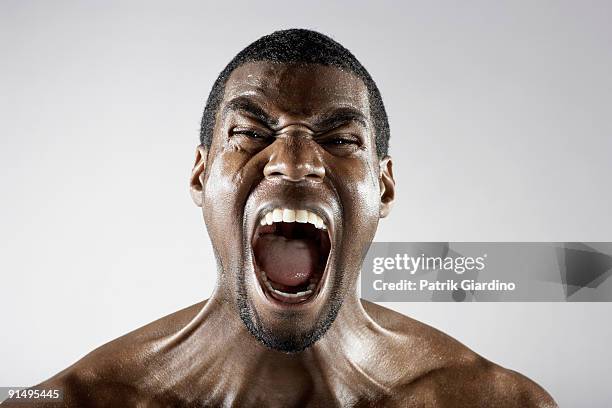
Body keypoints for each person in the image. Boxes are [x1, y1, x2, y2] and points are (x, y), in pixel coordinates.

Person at [3, 29, 557, 407]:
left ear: (383, 187)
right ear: (201, 176)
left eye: (340, 138)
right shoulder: (68, 401)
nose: (294, 163)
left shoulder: (496, 401)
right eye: (249, 134)